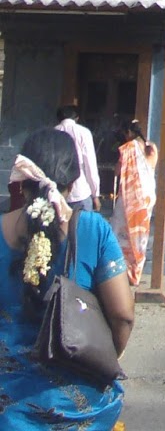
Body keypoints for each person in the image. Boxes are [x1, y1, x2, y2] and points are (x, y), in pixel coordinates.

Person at [1, 126, 133, 428]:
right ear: (73, 183)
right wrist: (103, 358)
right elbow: (123, 315)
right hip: (79, 408)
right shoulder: (94, 230)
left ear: (22, 182)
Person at [112, 116, 158, 286]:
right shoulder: (152, 148)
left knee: (120, 232)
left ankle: (123, 271)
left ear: (129, 132)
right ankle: (136, 271)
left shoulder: (128, 148)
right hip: (147, 196)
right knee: (141, 235)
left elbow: (118, 171)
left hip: (130, 197)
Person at [55, 104, 100, 213]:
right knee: (84, 227)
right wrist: (95, 195)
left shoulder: (53, 132)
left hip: (57, 192)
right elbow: (90, 165)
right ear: (77, 118)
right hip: (80, 191)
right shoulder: (83, 132)